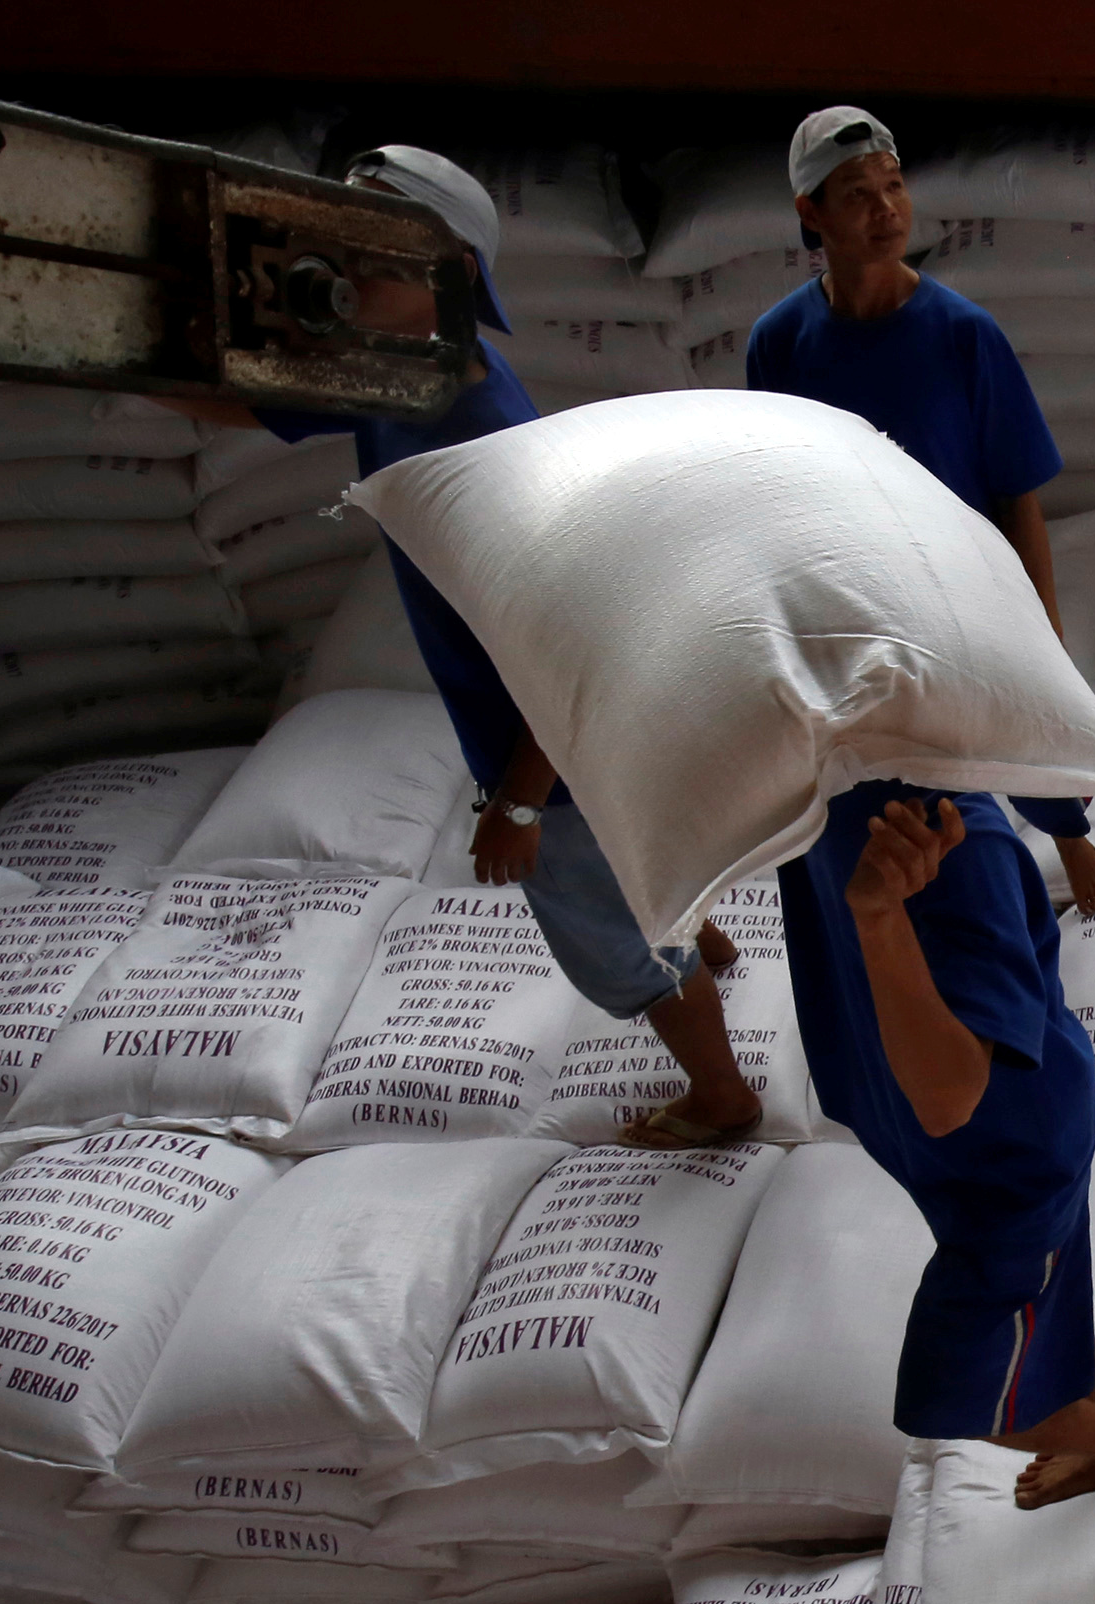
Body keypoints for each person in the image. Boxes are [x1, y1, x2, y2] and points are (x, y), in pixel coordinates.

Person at [168, 146, 763, 1150]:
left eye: (382, 268)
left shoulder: (479, 436)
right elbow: (257, 399)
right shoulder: (395, 375)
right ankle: (695, 924)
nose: (354, 283)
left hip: (562, 733)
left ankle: (720, 1092)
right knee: (641, 847)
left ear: (448, 281)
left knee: (608, 938)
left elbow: (564, 649)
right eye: (346, 257)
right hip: (570, 721)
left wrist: (521, 800)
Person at [792, 789, 1095, 1575]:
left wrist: (880, 919)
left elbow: (950, 1096)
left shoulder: (948, 844)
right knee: (1031, 1300)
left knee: (953, 1389)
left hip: (1005, 1152)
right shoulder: (835, 789)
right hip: (977, 1141)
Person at [742, 106, 1095, 924]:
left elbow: (1017, 495)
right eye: (858, 195)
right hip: (850, 601)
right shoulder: (780, 344)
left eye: (894, 187)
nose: (886, 212)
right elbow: (778, 499)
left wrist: (1043, 632)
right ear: (811, 214)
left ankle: (1067, 830)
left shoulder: (963, 337)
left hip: (958, 591)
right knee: (869, 796)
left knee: (1003, 729)